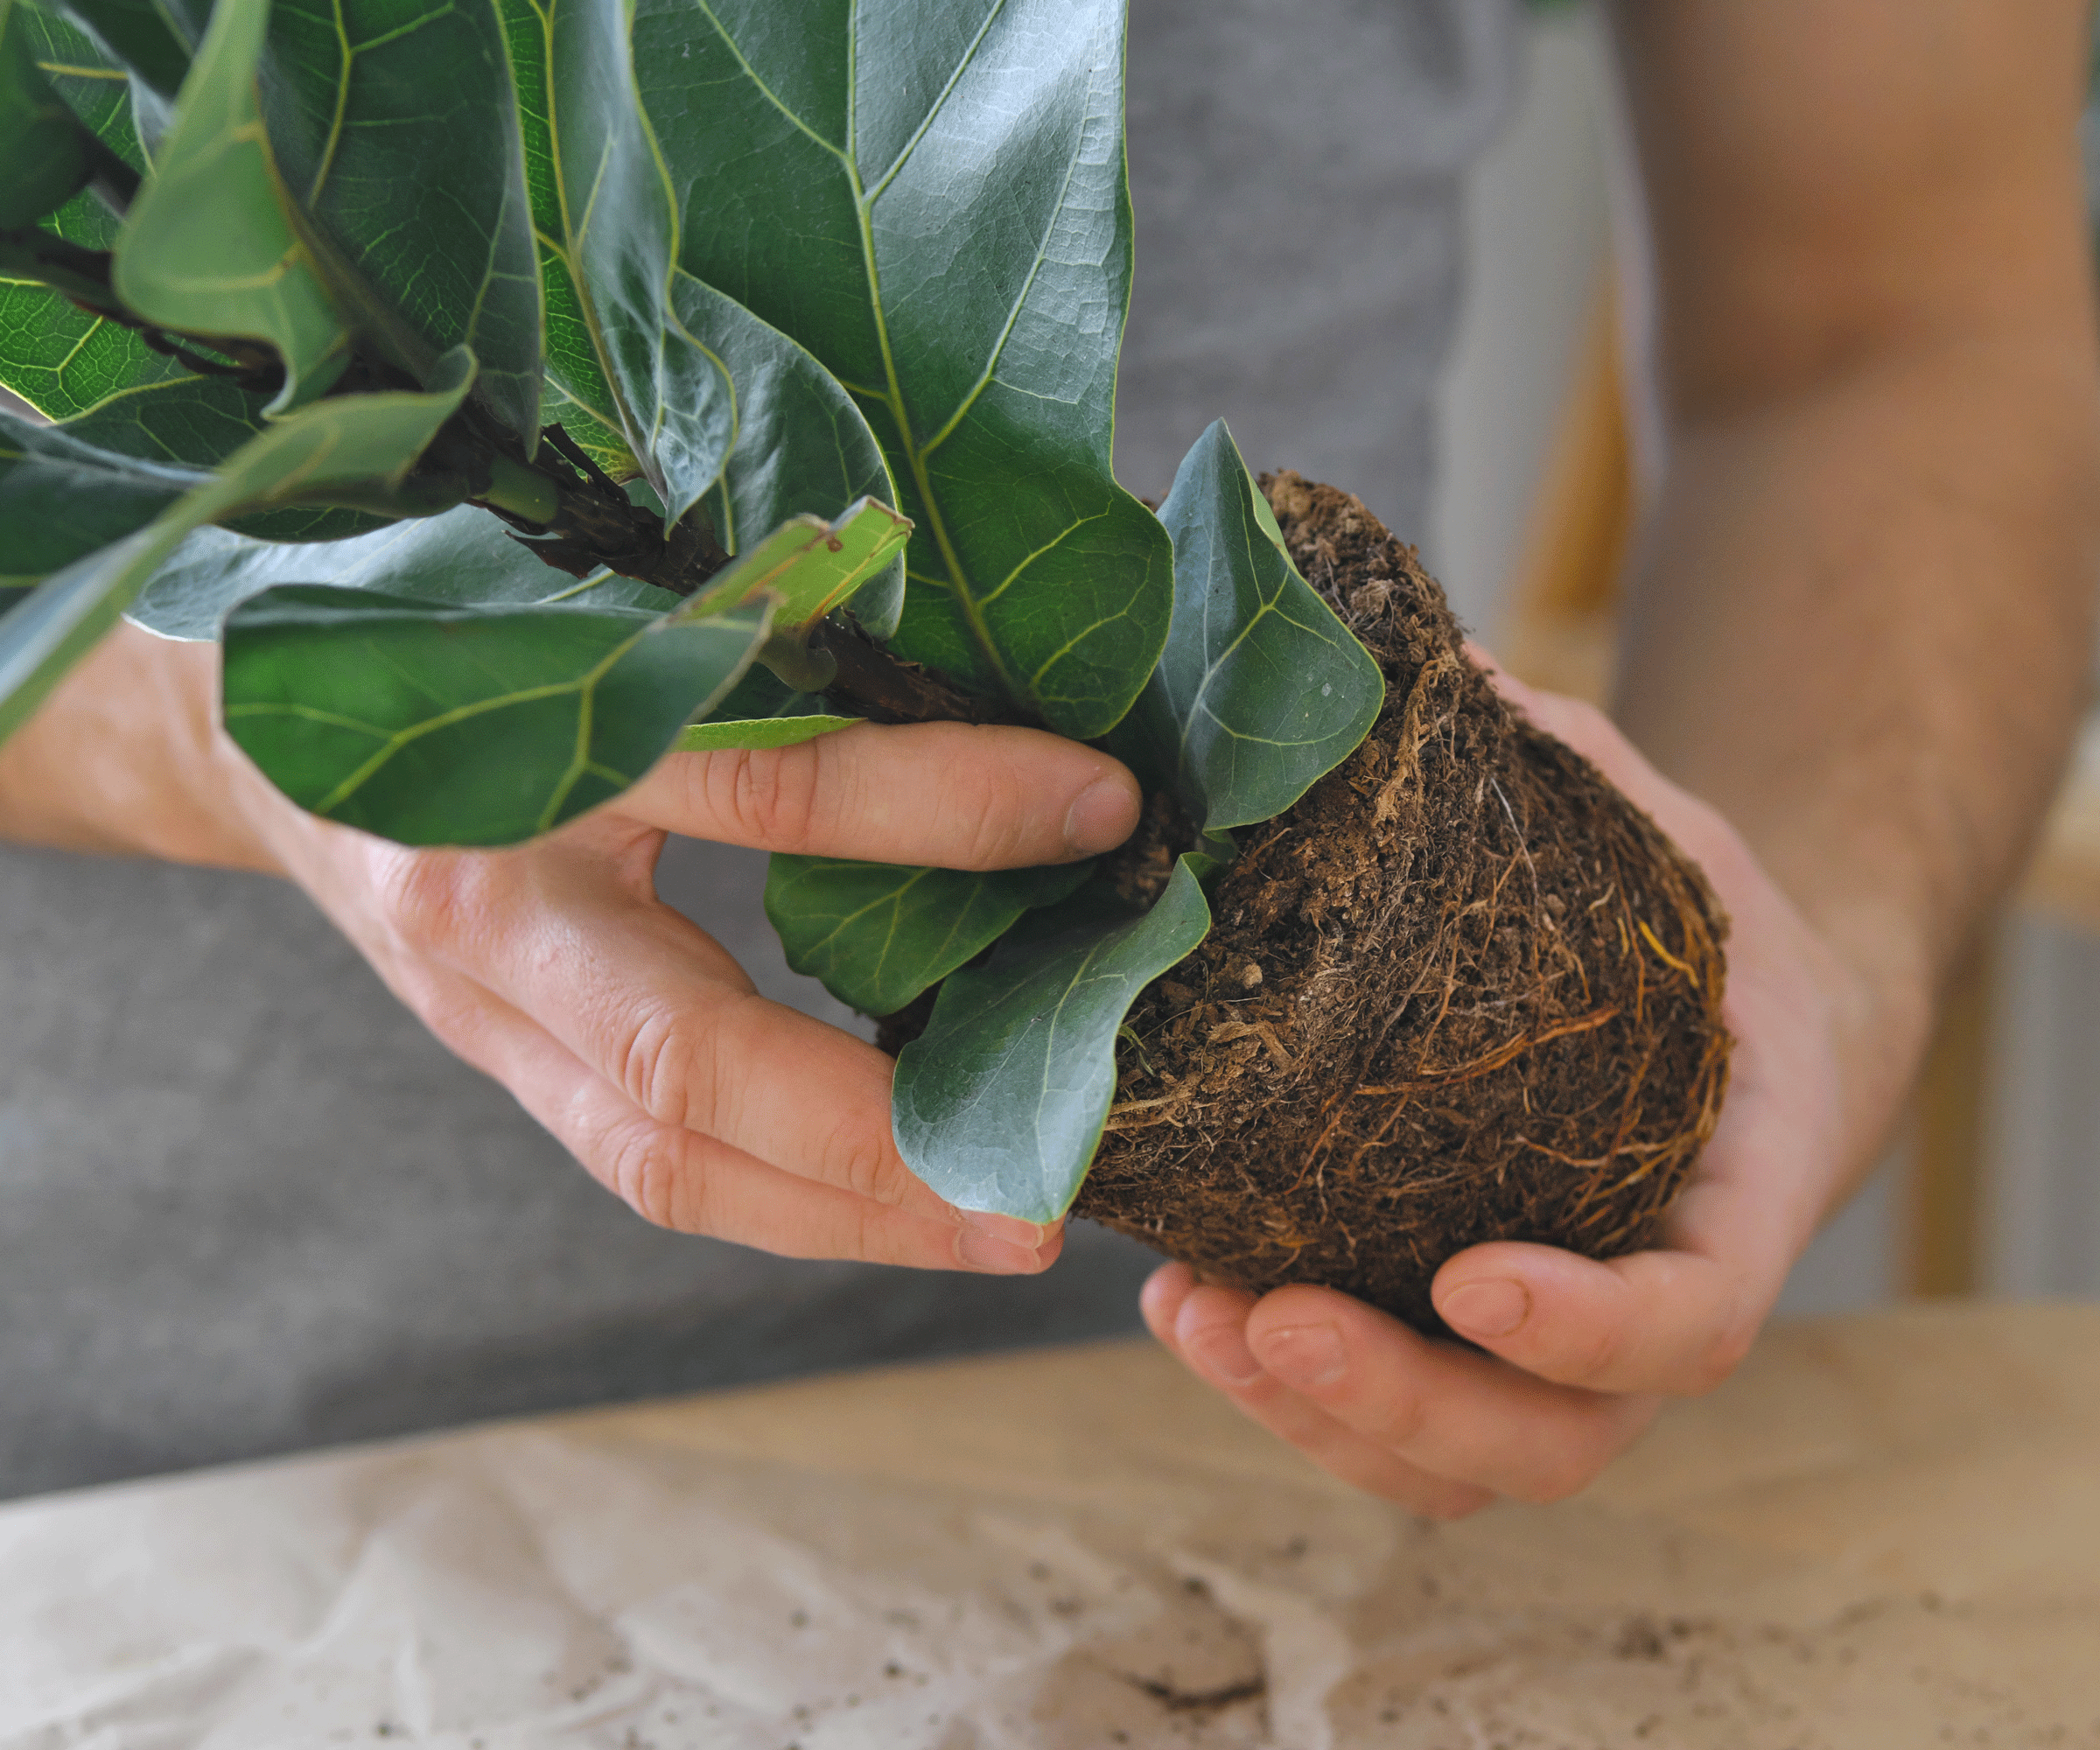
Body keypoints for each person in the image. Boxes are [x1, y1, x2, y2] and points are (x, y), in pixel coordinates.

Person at [1, 0, 2094, 1512]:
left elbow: (1896, 319)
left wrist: (1817, 942)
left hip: (1183, 1492)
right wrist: (297, 699)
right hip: (117, 1494)